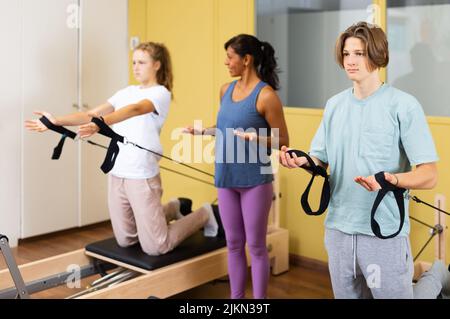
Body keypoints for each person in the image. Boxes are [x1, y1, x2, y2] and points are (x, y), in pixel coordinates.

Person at [280, 22, 441, 299]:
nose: (351, 61)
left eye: (359, 53)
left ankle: (437, 274)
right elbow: (320, 161)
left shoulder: (403, 105)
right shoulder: (334, 105)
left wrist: (394, 179)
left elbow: (429, 174)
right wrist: (302, 162)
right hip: (338, 229)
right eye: (346, 54)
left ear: (377, 55)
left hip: (383, 231)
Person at [25, 42, 219, 256]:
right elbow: (91, 114)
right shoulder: (126, 91)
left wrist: (102, 122)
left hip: (142, 174)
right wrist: (55, 121)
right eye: (134, 62)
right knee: (127, 239)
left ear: (156, 65)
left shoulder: (160, 93)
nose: (136, 67)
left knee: (156, 247)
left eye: (142, 62)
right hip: (117, 172)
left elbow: (136, 109)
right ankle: (173, 207)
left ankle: (204, 214)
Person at [185, 34, 289, 299]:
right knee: (232, 244)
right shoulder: (225, 90)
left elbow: (284, 140)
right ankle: (236, 300)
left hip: (255, 180)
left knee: (255, 246)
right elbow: (225, 128)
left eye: (230, 57)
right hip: (226, 177)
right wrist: (204, 131)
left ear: (246, 59)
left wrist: (257, 138)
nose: (226, 62)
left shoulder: (266, 96)